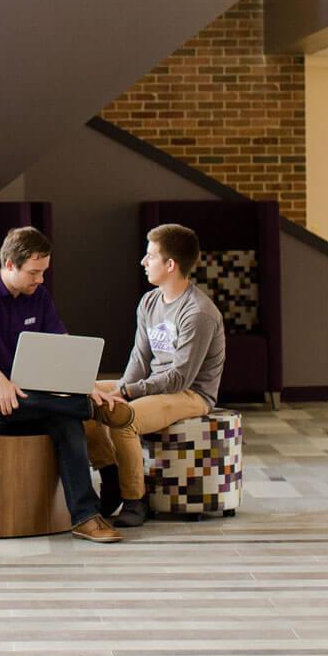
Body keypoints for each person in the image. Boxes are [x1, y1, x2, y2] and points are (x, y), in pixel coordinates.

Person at [0, 226, 130, 544]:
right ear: (9, 265)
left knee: (66, 419)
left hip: (30, 397)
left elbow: (63, 343)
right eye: (34, 272)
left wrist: (85, 383)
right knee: (5, 402)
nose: (41, 280)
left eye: (44, 272)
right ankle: (86, 408)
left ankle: (85, 517)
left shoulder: (39, 297)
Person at [85, 223, 226, 527]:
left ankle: (136, 500)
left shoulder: (198, 313)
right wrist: (120, 387)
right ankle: (111, 482)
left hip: (190, 394)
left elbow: (180, 378)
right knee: (84, 392)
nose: (143, 262)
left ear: (170, 264)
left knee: (124, 417)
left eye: (150, 256)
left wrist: (126, 394)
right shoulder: (149, 302)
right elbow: (140, 357)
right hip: (156, 385)